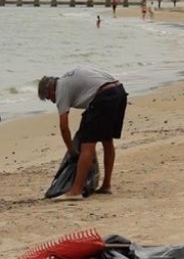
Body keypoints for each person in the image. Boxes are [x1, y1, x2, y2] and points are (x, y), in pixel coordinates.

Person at [38, 66, 128, 197]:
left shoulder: (61, 90)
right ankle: (106, 185)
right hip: (118, 91)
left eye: (49, 97)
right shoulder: (67, 79)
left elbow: (64, 127)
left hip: (103, 96)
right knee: (107, 140)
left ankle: (76, 190)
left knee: (87, 144)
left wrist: (71, 150)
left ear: (50, 88)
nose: (52, 101)